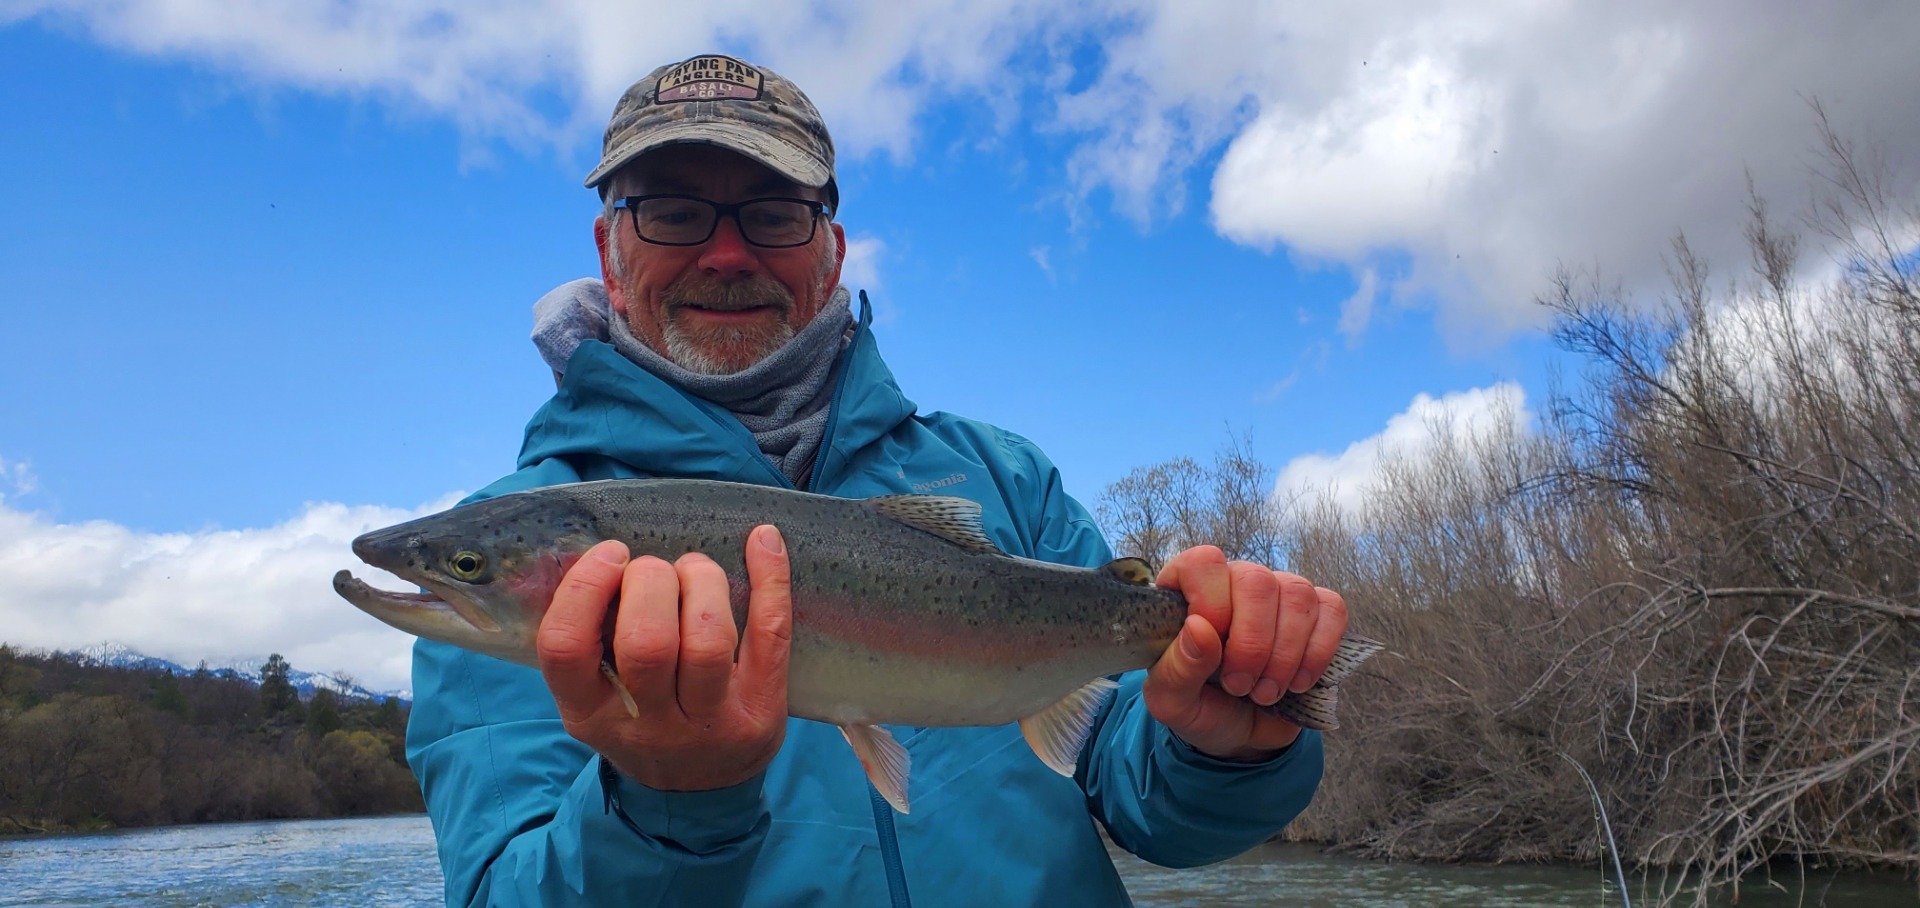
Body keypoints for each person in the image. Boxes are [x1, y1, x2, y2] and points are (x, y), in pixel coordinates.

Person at [407, 52, 1352, 907]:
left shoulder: (1005, 476)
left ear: (832, 254)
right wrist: (666, 806)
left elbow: (1137, 788)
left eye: (774, 214)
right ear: (611, 253)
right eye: (674, 212)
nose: (727, 253)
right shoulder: (494, 537)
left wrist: (1225, 746)